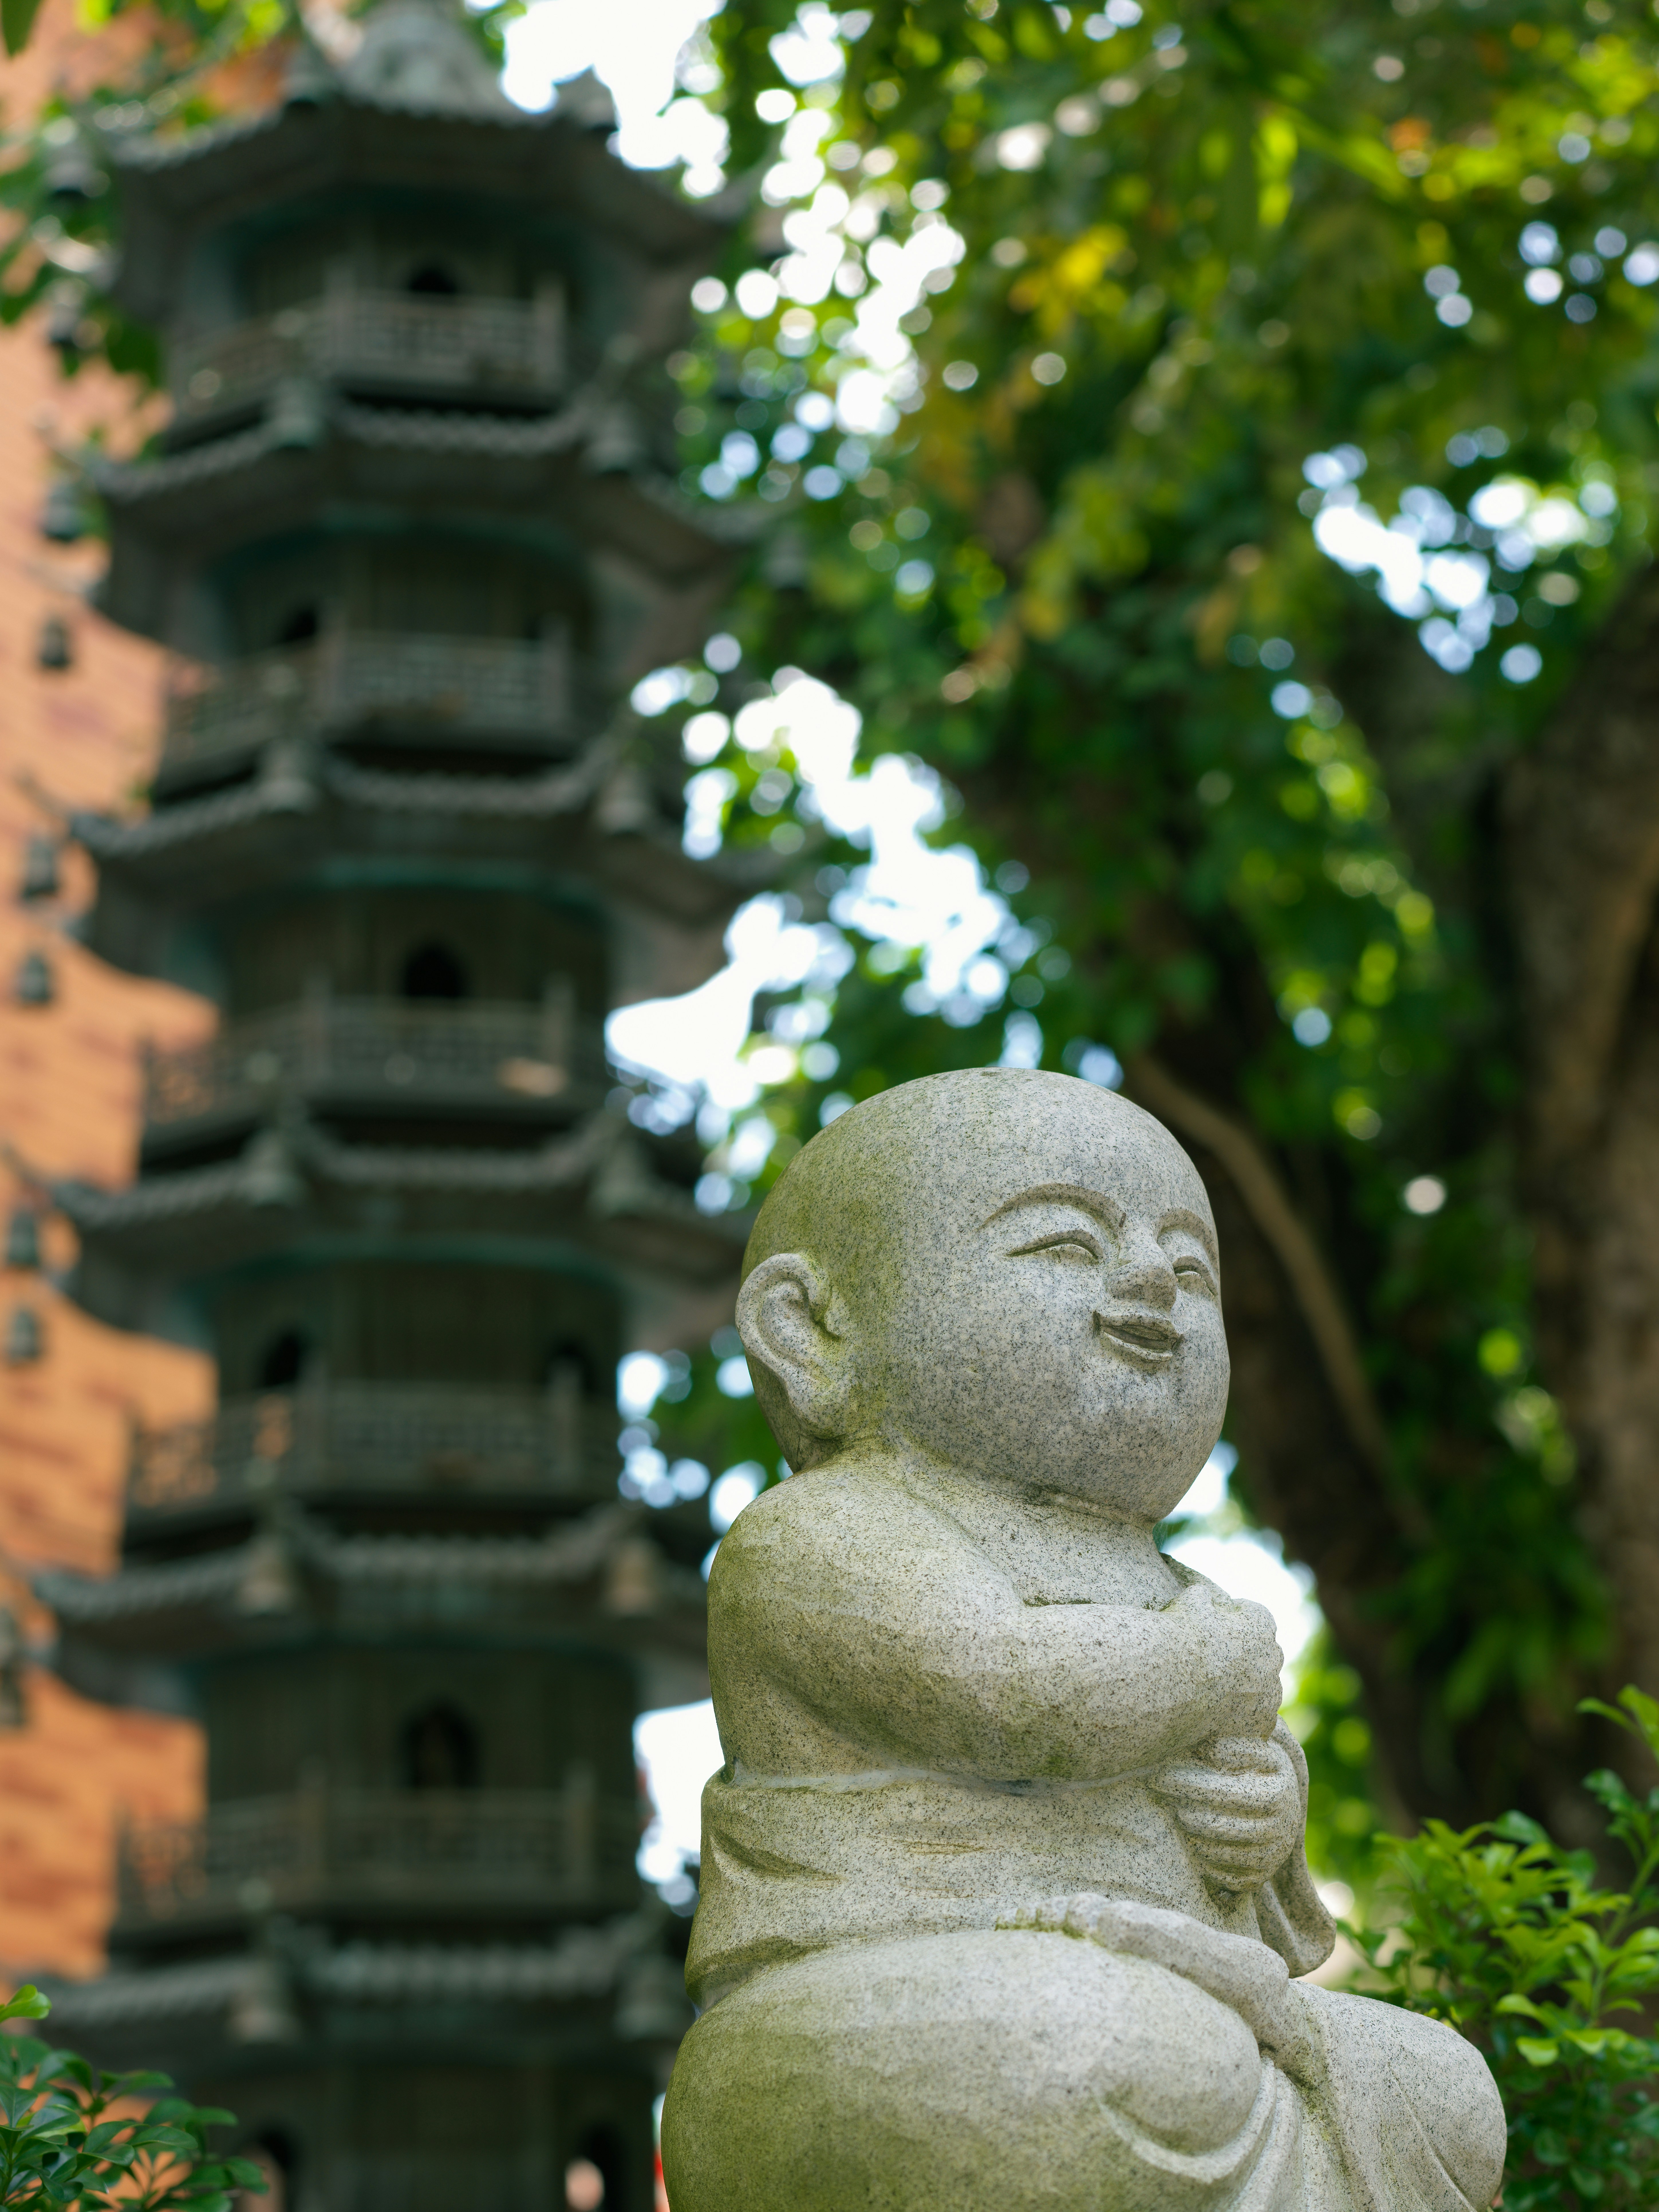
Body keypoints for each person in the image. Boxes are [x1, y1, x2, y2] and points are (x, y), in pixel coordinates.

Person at [662, 1069, 1505, 2212]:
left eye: (1189, 1264)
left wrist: (1262, 1821)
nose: (1153, 1280)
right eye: (1065, 1245)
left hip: (1180, 2005)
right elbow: (1016, 1696)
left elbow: (1235, 1824)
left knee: (1439, 2087)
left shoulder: (1177, 1586)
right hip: (874, 2008)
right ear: (810, 1333)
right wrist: (1211, 1663)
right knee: (1085, 2047)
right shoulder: (823, 1537)